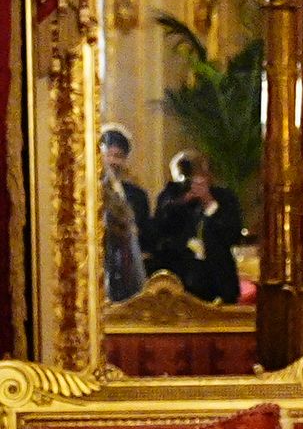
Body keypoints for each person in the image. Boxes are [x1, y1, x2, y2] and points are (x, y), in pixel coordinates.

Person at [150, 149, 244, 304]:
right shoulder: (171, 196)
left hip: (217, 282)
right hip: (181, 281)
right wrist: (183, 202)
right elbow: (159, 231)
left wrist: (209, 203)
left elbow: (232, 234)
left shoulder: (225, 198)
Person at [99, 124, 153, 256]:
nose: (112, 161)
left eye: (118, 156)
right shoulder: (87, 193)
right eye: (108, 155)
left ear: (125, 159)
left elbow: (146, 238)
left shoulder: (138, 196)